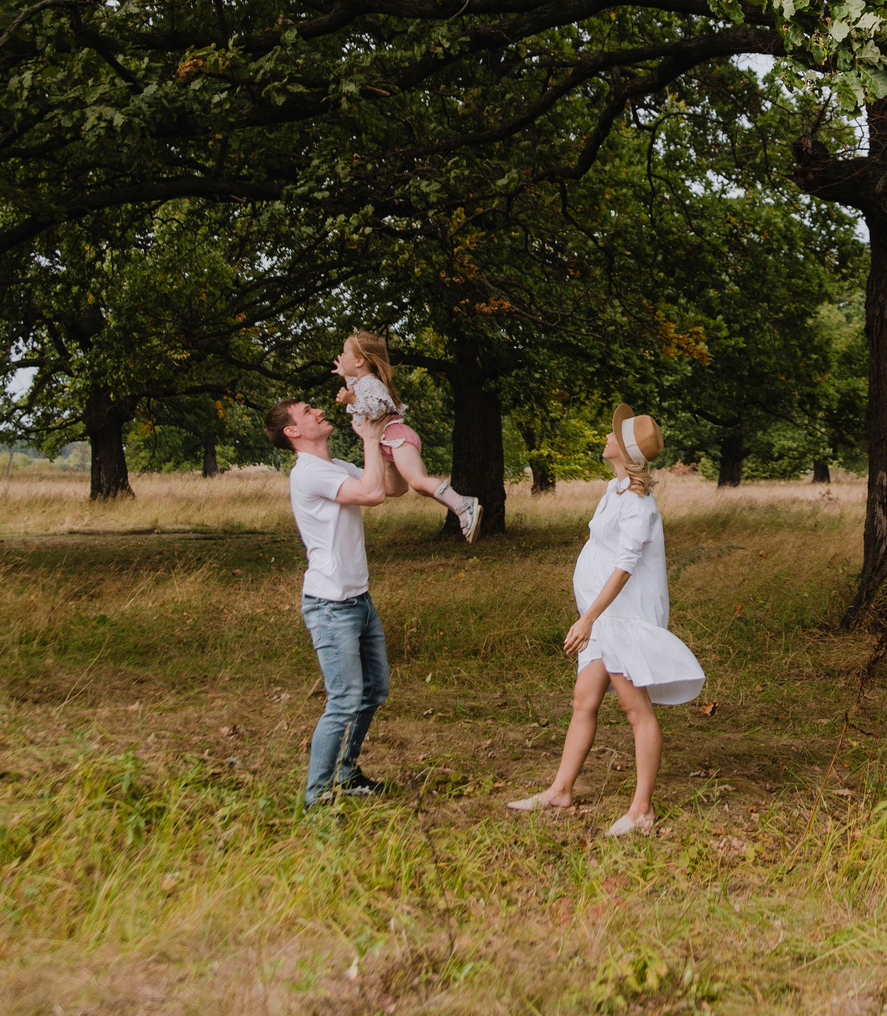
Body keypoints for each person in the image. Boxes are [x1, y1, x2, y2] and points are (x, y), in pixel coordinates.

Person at [506, 405, 704, 837]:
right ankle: (559, 790)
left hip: (619, 620)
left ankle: (641, 811)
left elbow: (625, 566)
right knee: (584, 699)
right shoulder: (614, 490)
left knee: (637, 711)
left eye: (614, 434)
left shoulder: (638, 504)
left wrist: (589, 619)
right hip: (601, 619)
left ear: (626, 450)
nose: (607, 437)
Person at [267, 397, 395, 805]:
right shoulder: (308, 474)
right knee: (343, 699)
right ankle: (316, 796)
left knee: (375, 689)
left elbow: (392, 487)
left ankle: (346, 772)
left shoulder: (335, 466)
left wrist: (390, 439)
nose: (319, 411)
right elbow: (372, 494)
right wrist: (371, 439)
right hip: (330, 604)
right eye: (307, 412)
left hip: (358, 598)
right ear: (293, 431)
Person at [336, 331, 481, 542]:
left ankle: (463, 506)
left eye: (344, 353)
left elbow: (377, 408)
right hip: (387, 444)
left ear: (359, 360)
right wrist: (345, 375)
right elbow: (355, 384)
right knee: (397, 488)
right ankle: (461, 505)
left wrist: (352, 400)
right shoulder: (362, 381)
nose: (341, 356)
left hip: (396, 438)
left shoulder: (371, 383)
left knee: (419, 481)